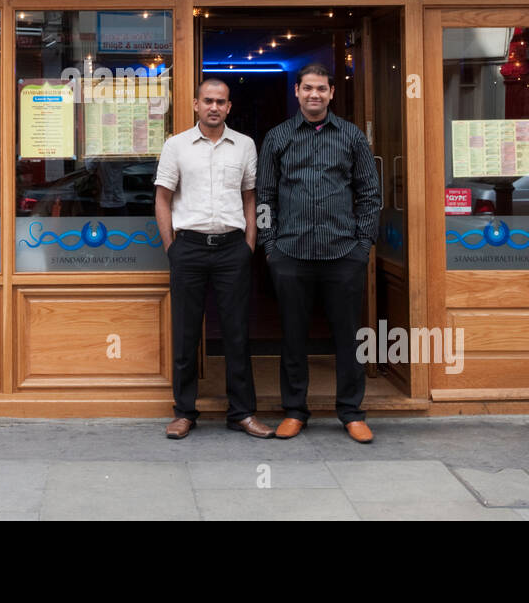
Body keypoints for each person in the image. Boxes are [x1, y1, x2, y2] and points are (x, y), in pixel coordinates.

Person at [258, 63, 382, 442]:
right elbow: (264, 197)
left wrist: (363, 245)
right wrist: (270, 246)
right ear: (297, 91)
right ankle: (295, 411)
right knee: (293, 337)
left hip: (344, 253)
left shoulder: (353, 137)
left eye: (322, 89)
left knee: (348, 336)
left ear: (331, 93)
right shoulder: (277, 138)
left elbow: (369, 195)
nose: (315, 94)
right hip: (291, 254)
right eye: (308, 88)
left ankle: (351, 412)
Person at [154, 79, 275, 439]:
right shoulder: (176, 145)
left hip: (231, 248)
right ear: (195, 104)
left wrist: (249, 243)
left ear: (229, 107)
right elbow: (162, 198)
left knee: (237, 333)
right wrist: (171, 247)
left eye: (220, 102)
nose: (214, 107)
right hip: (188, 247)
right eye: (208, 100)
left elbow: (250, 197)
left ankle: (241, 412)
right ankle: (184, 412)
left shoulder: (245, 146)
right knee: (186, 333)